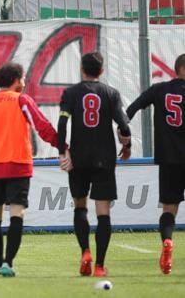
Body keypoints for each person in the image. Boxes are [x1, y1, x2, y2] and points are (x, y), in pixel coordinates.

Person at [0, 63, 59, 277]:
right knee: (17, 211)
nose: (24, 83)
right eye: (23, 79)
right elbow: (41, 125)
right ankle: (8, 262)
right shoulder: (21, 100)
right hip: (18, 164)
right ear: (17, 79)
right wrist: (61, 145)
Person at [55, 53, 131, 278]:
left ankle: (85, 252)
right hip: (104, 159)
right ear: (102, 70)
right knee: (103, 212)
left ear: (81, 68)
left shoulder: (70, 93)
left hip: (78, 158)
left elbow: (62, 123)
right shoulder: (111, 93)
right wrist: (126, 146)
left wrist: (62, 152)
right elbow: (123, 125)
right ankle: (99, 265)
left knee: (80, 206)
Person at [125, 53, 185, 275]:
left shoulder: (159, 90)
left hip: (169, 159)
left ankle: (167, 242)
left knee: (169, 208)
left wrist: (124, 132)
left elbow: (132, 108)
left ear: (176, 69)